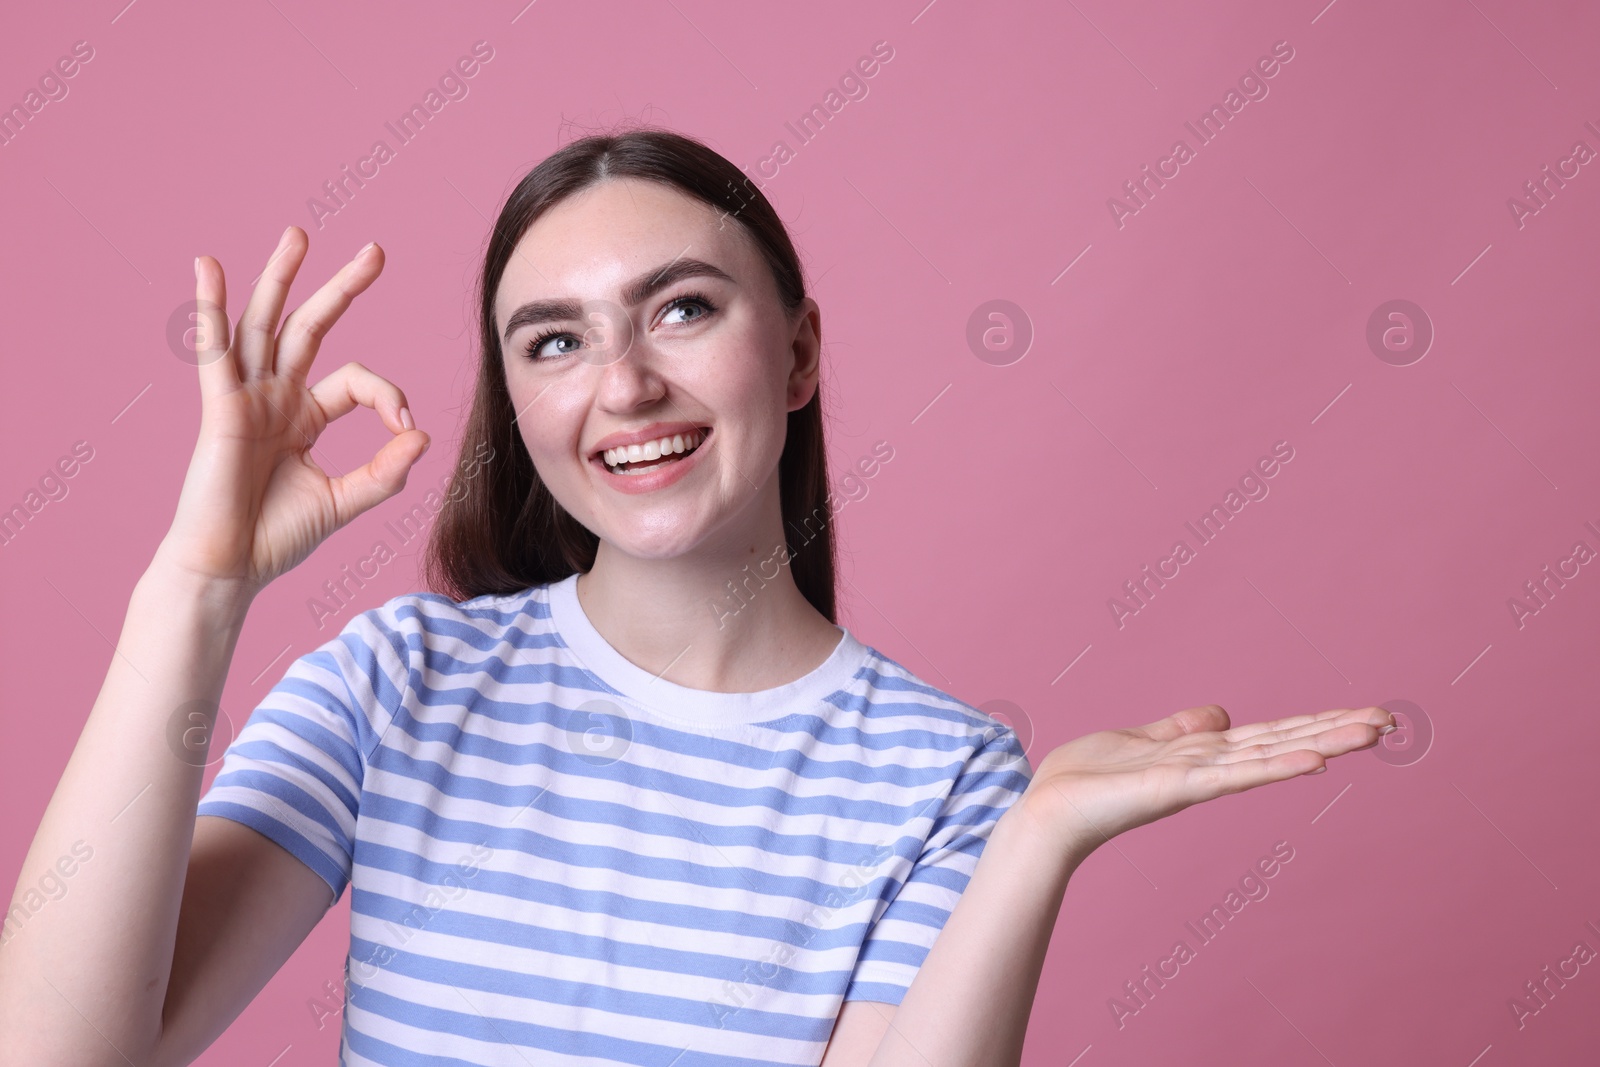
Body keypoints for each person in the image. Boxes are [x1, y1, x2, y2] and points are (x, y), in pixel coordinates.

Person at [0, 126, 1395, 1067]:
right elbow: (57, 1052)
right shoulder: (395, 686)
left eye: (682, 309)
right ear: (520, 406)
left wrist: (1035, 849)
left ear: (796, 356)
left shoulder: (944, 774)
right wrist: (196, 593)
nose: (624, 387)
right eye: (556, 341)